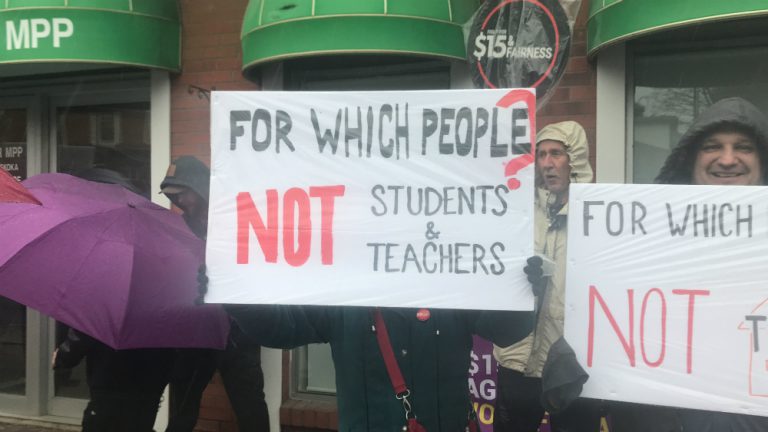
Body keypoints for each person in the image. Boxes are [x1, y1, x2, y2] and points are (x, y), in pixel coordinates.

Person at [609, 97, 768, 431]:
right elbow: (614, 320)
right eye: (712, 147)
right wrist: (576, 356)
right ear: (691, 159)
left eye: (743, 147)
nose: (727, 159)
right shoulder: (645, 243)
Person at [491, 121, 601, 432]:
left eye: (556, 153)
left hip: (570, 361)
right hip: (517, 357)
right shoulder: (519, 211)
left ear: (575, 159)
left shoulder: (597, 216)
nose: (547, 163)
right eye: (541, 155)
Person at [52, 168, 176, 432]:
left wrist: (64, 356)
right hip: (153, 376)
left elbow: (95, 315)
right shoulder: (163, 246)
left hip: (114, 377)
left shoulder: (107, 253)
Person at [160, 156, 270, 432]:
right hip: (195, 327)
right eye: (172, 195)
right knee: (183, 403)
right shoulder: (180, 226)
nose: (178, 200)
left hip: (237, 328)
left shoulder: (233, 219)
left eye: (182, 192)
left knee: (250, 404)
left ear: (198, 186)